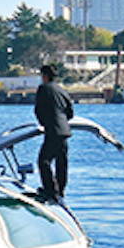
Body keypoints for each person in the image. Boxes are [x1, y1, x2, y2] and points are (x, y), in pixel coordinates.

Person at [34, 63, 74, 202]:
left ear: (44, 76)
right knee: (61, 162)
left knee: (43, 161)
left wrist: (44, 123)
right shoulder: (61, 90)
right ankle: (60, 191)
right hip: (64, 130)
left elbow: (39, 110)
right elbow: (70, 112)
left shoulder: (43, 88)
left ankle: (50, 190)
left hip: (53, 130)